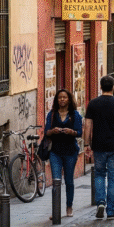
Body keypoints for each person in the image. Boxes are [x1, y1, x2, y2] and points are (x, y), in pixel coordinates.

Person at [83, 76, 114, 220]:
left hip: (98, 146)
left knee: (99, 175)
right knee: (112, 178)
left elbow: (87, 125)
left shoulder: (93, 104)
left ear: (100, 87)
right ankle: (110, 211)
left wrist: (86, 144)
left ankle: (100, 203)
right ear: (113, 87)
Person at [45, 89, 83, 218]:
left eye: (64, 97)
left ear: (68, 100)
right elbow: (46, 132)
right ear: (56, 100)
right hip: (55, 152)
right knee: (56, 180)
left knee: (69, 181)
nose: (62, 99)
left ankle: (69, 206)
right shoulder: (51, 115)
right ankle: (55, 209)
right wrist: (52, 131)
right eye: (60, 97)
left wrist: (71, 132)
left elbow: (79, 132)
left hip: (70, 151)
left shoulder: (75, 115)